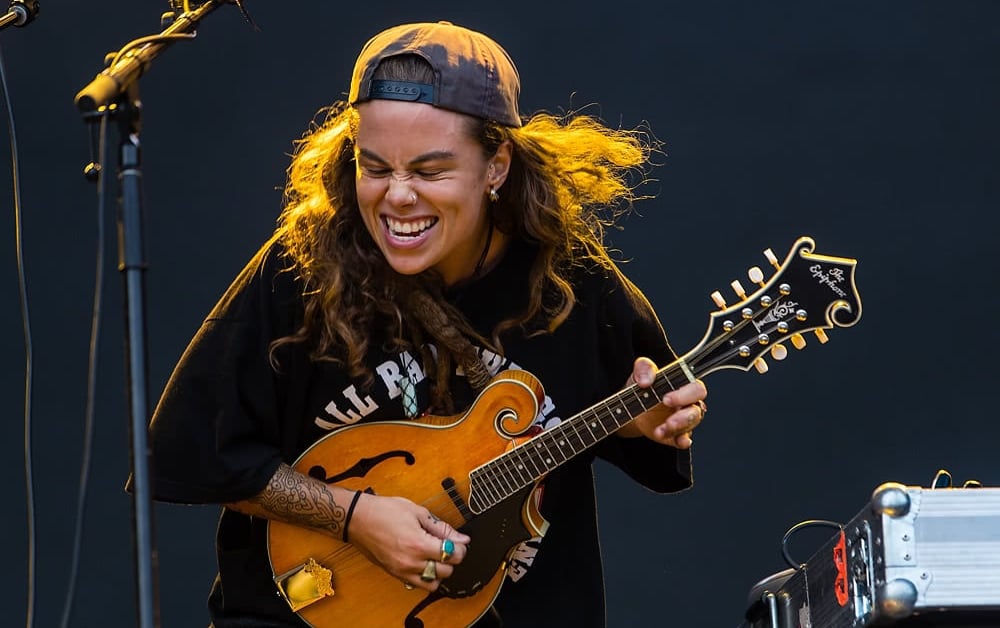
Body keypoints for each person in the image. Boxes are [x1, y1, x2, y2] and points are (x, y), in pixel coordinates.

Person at [142, 20, 708, 628]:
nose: (398, 197)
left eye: (431, 171)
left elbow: (651, 429)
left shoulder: (571, 286)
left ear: (496, 166)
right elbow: (194, 453)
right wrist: (351, 516)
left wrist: (644, 424)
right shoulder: (303, 268)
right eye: (375, 167)